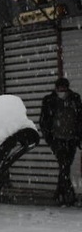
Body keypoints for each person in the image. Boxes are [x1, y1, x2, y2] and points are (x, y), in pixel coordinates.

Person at [40, 77, 82, 206]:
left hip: (71, 139)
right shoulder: (49, 100)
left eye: (64, 88)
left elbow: (80, 118)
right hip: (57, 139)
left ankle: (60, 193)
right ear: (56, 88)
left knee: (65, 166)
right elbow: (44, 120)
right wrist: (49, 138)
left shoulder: (75, 99)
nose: (62, 90)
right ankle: (69, 195)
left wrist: (78, 137)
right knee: (64, 165)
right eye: (60, 88)